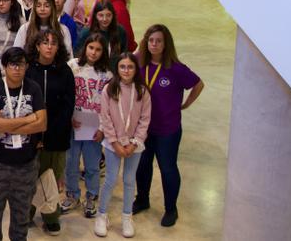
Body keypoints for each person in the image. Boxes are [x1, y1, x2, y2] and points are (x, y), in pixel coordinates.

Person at [133, 24, 204, 228]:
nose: (154, 44)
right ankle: (142, 199)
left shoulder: (176, 69)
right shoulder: (139, 64)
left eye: (158, 41)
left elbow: (198, 84)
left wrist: (187, 103)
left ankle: (171, 208)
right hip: (144, 129)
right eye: (150, 40)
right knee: (142, 165)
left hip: (167, 130)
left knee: (167, 169)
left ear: (166, 44)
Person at [0, 47, 47, 241]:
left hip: (25, 166)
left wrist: (5, 125)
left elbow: (42, 123)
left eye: (22, 65)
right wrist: (28, 119)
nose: (17, 69)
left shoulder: (33, 88)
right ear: (5, 66)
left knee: (21, 221)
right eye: (13, 64)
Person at [94, 52, 151, 239]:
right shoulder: (109, 89)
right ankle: (102, 215)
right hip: (113, 144)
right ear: (117, 69)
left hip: (135, 145)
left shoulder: (143, 91)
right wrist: (115, 143)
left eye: (130, 67)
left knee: (128, 180)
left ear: (136, 69)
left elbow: (144, 120)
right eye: (122, 67)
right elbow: (106, 118)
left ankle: (127, 216)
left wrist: (134, 144)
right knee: (110, 180)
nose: (126, 70)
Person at [25, 29, 76, 235]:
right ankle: (26, 212)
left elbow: (68, 105)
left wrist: (50, 130)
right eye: (44, 42)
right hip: (31, 134)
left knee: (51, 178)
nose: (49, 46)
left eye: (53, 43)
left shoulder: (65, 71)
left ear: (58, 47)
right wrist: (35, 132)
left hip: (56, 136)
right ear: (37, 46)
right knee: (28, 176)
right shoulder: (28, 70)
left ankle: (51, 217)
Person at [64, 32, 114, 219]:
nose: (93, 52)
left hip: (94, 128)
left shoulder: (107, 74)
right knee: (71, 163)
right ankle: (72, 195)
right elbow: (65, 94)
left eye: (98, 49)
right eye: (91, 47)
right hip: (74, 124)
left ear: (104, 52)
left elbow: (109, 105)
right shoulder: (73, 66)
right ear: (85, 47)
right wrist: (68, 117)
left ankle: (92, 196)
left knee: (92, 166)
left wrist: (102, 128)